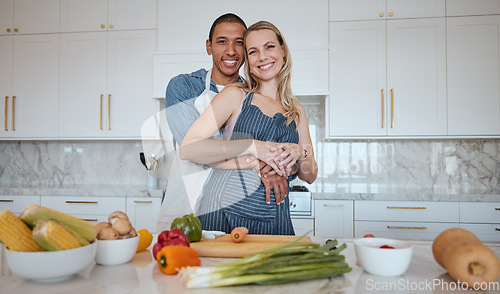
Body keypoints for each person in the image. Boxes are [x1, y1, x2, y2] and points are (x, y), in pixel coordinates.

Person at [180, 21, 318, 235]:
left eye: (269, 47)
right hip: (223, 210)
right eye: (253, 51)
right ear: (248, 60)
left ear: (282, 50)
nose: (262, 56)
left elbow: (309, 175)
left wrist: (300, 153)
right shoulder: (236, 95)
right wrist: (254, 150)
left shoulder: (296, 110)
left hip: (274, 215)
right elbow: (189, 149)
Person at [157, 14, 290, 231]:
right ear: (209, 47)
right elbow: (195, 152)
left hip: (235, 204)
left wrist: (288, 154)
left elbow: (274, 149)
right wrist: (256, 158)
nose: (231, 51)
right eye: (222, 42)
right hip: (188, 202)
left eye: (239, 43)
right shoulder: (183, 87)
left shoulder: (254, 97)